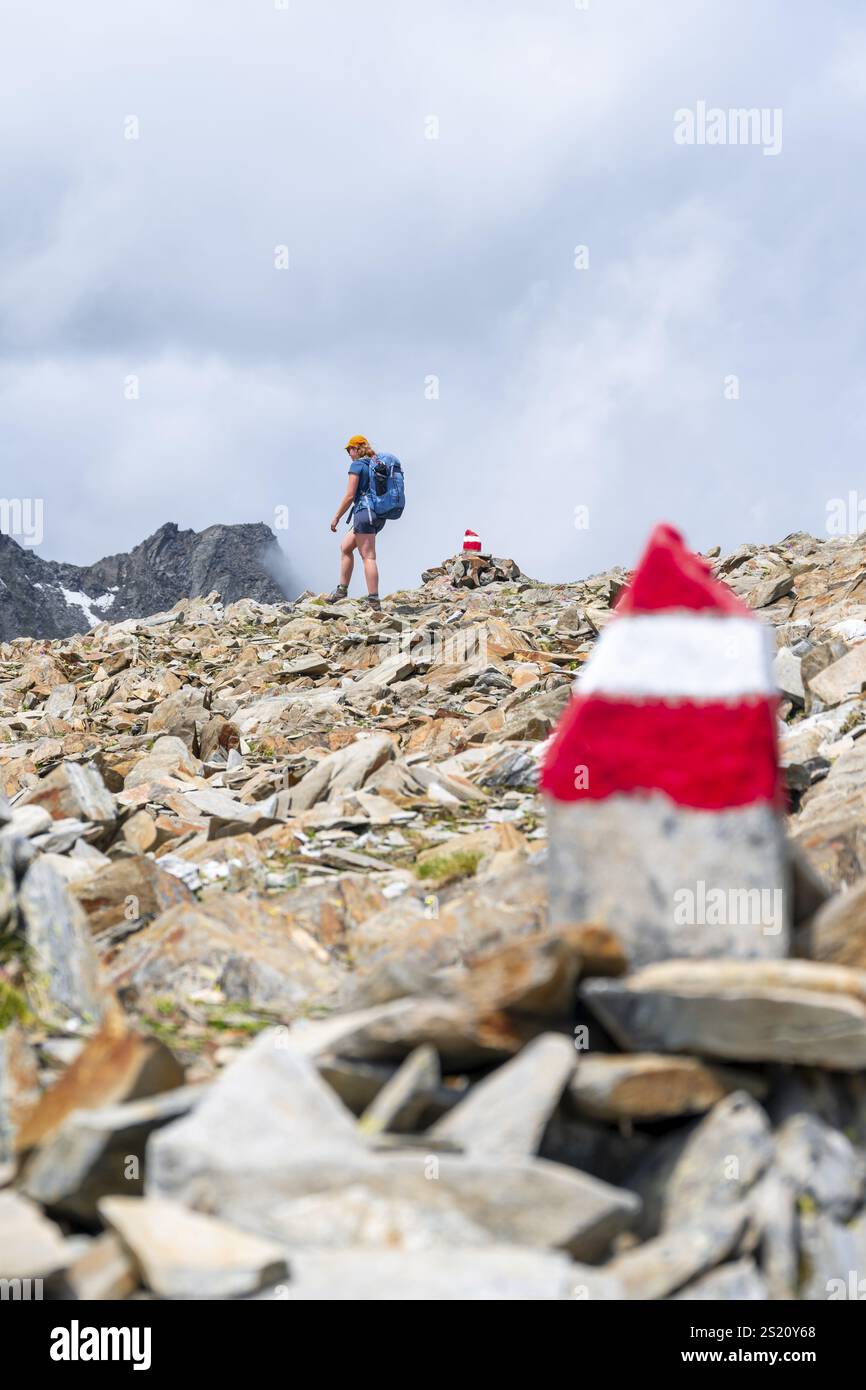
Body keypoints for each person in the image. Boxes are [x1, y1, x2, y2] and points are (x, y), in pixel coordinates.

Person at [328, 435, 387, 610]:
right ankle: (342, 590)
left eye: (349, 449)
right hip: (377, 514)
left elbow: (349, 495)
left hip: (364, 513)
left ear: (356, 449)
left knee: (368, 556)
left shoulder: (357, 465)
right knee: (346, 547)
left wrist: (337, 517)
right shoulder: (374, 463)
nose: (348, 453)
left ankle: (374, 600)